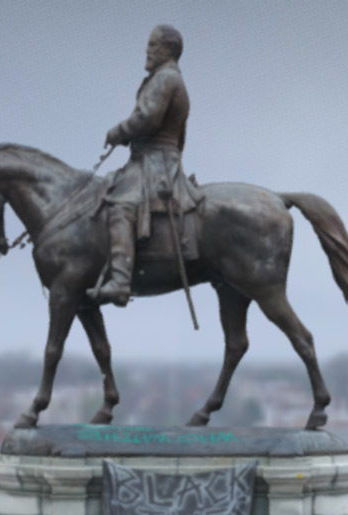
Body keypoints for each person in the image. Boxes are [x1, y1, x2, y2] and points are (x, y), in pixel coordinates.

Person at [88, 25, 203, 306]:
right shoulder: (165, 78)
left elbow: (148, 118)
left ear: (168, 50)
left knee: (121, 206)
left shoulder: (166, 78)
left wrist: (119, 132)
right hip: (150, 158)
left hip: (156, 163)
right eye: (148, 45)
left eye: (153, 45)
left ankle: (120, 280)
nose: (147, 50)